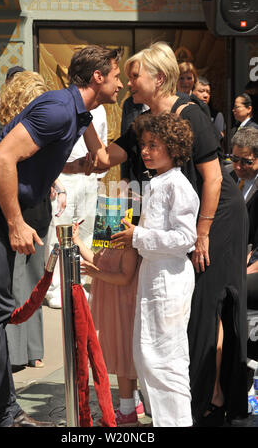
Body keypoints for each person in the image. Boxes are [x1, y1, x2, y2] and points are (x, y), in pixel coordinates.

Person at [80, 41, 249, 426]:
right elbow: (106, 158)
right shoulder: (145, 120)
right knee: (189, 319)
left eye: (134, 76)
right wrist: (83, 114)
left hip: (215, 218)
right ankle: (199, 399)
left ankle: (209, 399)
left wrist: (202, 233)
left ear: (159, 77)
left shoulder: (192, 112)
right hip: (185, 222)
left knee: (207, 308)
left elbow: (212, 178)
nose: (128, 84)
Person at [0, 44, 123, 427]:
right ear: (97, 77)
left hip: (5, 207)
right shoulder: (59, 109)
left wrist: (76, 163)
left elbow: (97, 161)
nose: (120, 84)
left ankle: (7, 410)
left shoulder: (81, 112)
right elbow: (1, 159)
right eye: (116, 76)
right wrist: (16, 223)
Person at [112, 112, 199, 427]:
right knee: (147, 355)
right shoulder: (155, 183)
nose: (145, 151)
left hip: (169, 278)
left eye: (154, 145)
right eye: (143, 145)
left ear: (173, 148)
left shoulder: (178, 185)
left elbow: (186, 238)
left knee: (166, 359)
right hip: (153, 275)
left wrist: (138, 235)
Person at [0, 70, 52, 370]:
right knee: (13, 281)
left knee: (35, 279)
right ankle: (14, 351)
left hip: (38, 210)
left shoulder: (42, 123)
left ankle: (33, 349)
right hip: (10, 211)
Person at [72, 221, 144, 427]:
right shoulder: (110, 241)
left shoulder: (129, 246)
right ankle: (133, 402)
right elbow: (98, 260)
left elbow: (125, 277)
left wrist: (95, 274)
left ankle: (127, 408)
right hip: (112, 304)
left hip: (122, 306)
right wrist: (77, 240)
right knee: (120, 352)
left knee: (122, 353)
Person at [44, 104, 108, 309]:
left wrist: (98, 176)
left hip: (89, 178)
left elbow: (102, 142)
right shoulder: (63, 107)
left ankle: (76, 284)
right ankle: (55, 287)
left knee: (85, 232)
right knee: (59, 231)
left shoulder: (100, 111)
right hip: (64, 175)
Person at [228, 127, 258, 367]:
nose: (238, 166)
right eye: (234, 159)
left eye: (246, 161)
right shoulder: (229, 179)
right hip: (232, 256)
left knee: (235, 290)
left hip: (252, 261)